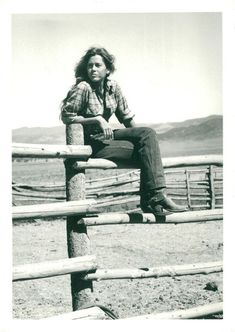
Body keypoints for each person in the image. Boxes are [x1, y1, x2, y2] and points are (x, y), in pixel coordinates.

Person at [60, 46, 188, 214]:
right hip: (90, 144)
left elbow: (127, 118)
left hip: (106, 137)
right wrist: (97, 119)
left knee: (147, 135)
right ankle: (153, 200)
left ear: (108, 69)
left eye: (98, 65)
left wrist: (146, 145)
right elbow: (66, 116)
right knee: (147, 153)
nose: (93, 69)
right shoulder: (83, 87)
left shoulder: (113, 87)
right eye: (90, 66)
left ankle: (155, 197)